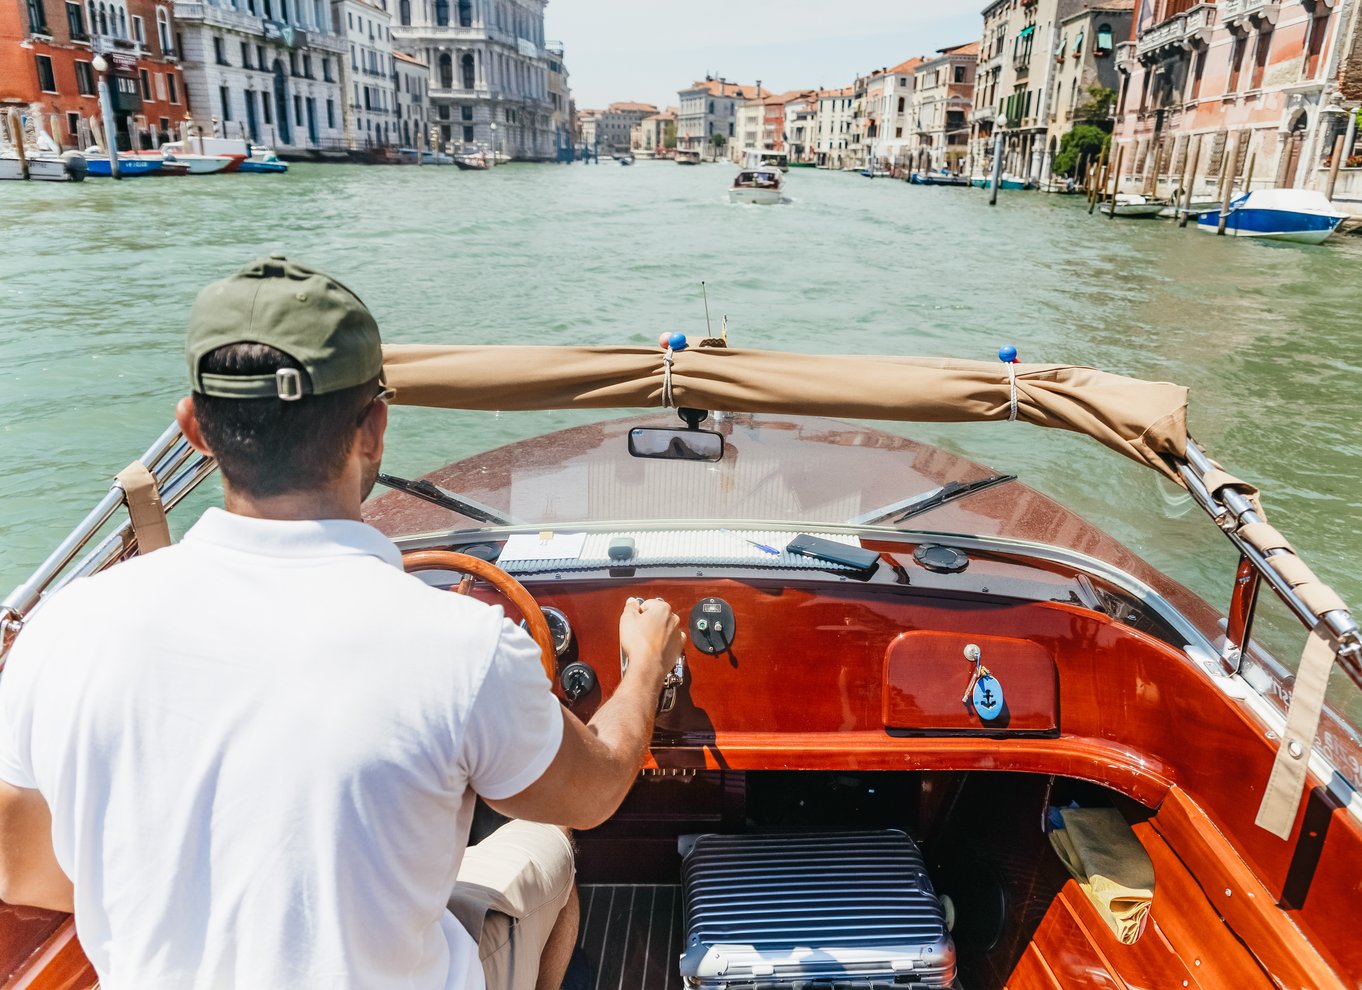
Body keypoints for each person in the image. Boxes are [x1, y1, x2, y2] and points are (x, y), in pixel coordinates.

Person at [0, 255, 685, 989]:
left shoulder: (63, 630)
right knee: (548, 845)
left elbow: (26, 871)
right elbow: (596, 791)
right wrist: (645, 664)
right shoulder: (462, 647)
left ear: (195, 427)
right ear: (375, 429)